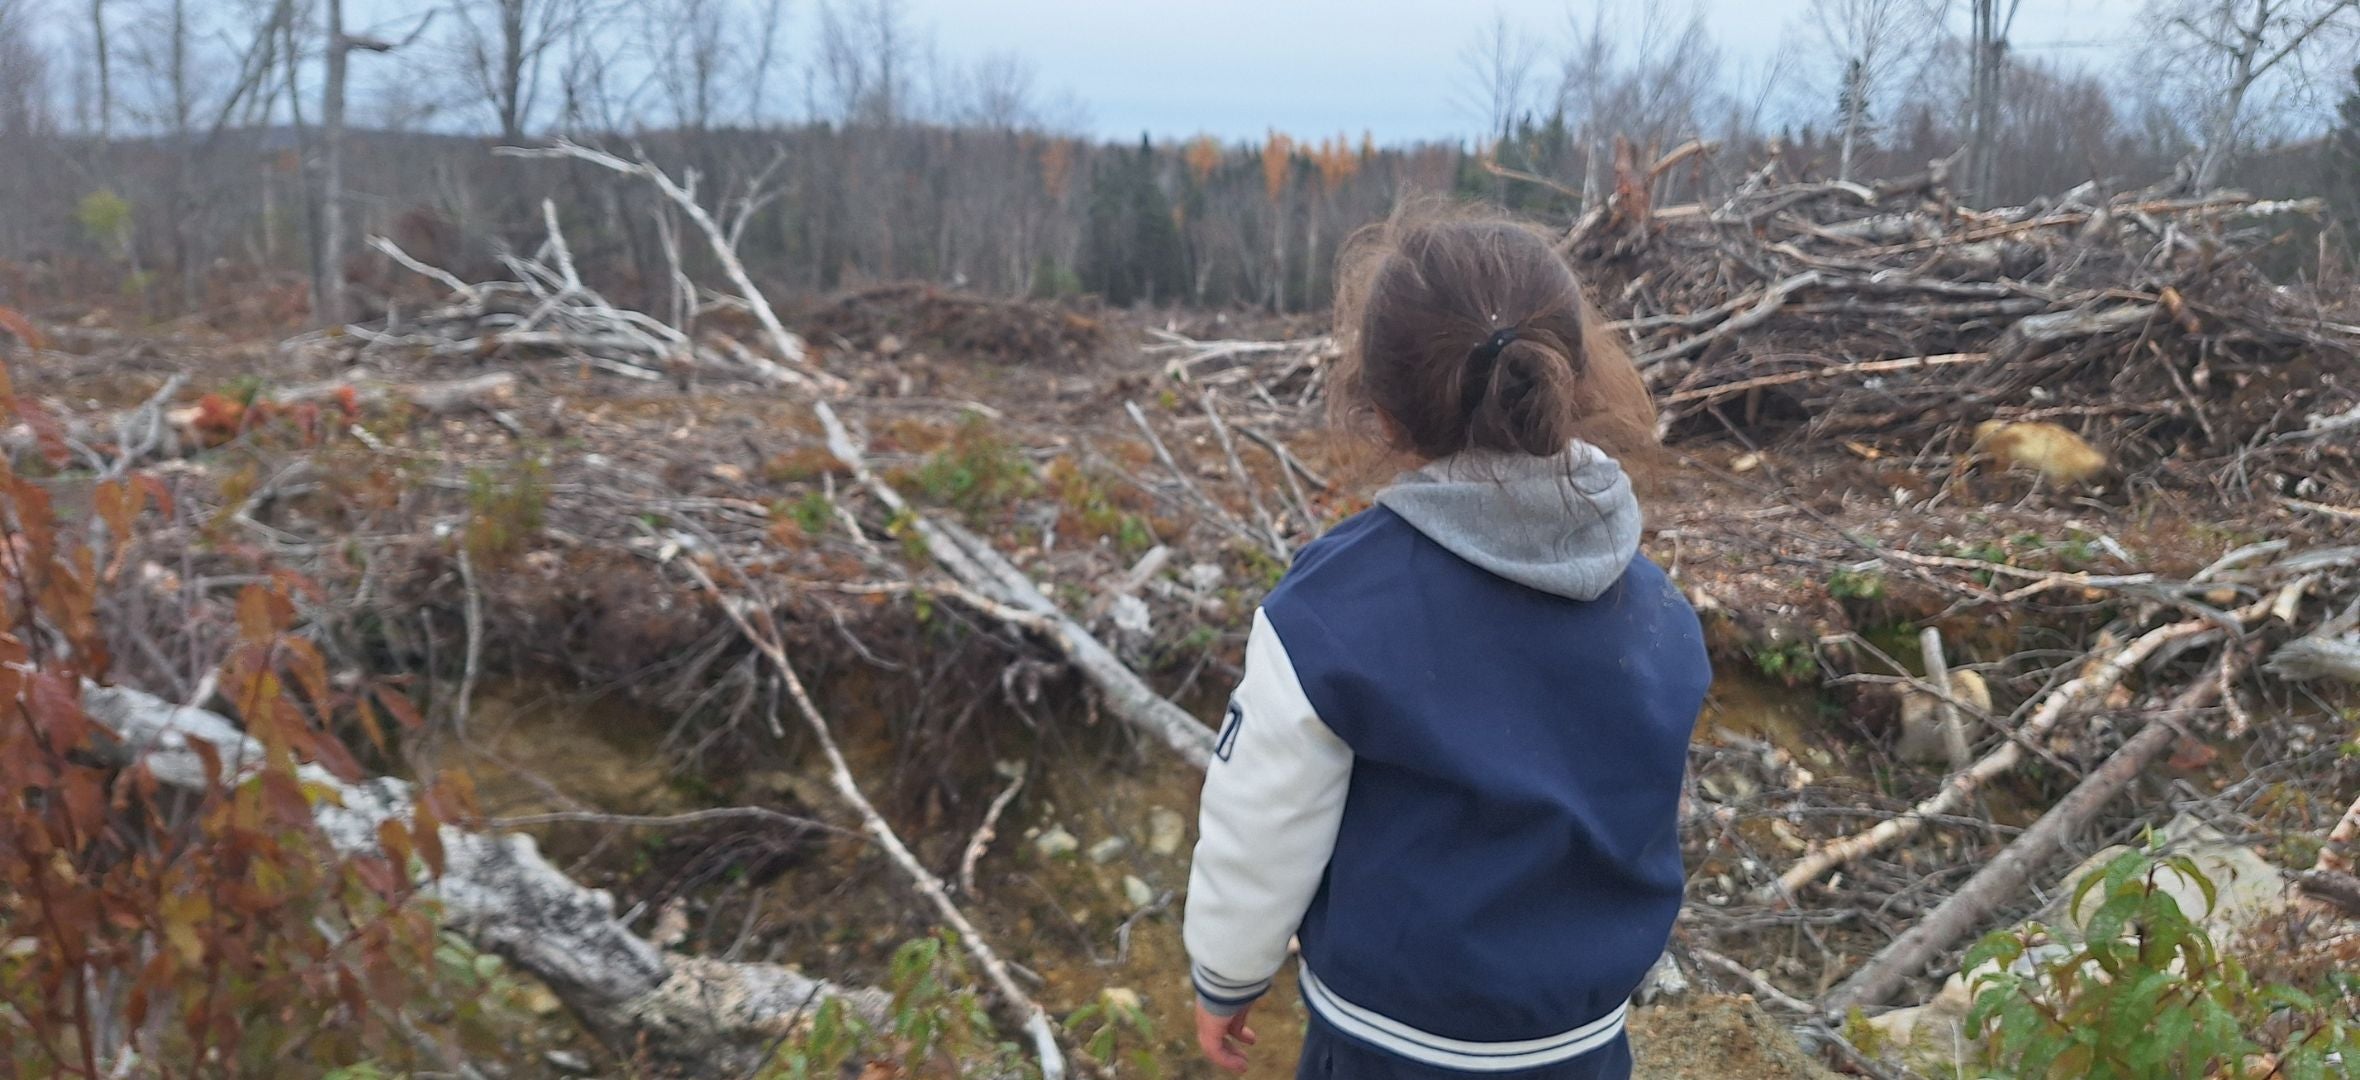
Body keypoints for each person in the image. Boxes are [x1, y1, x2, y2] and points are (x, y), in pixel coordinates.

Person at [1180, 205, 1712, 1079]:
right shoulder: (1659, 614)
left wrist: (1226, 976)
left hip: (1384, 1049)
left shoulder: (1330, 612)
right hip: (1581, 1046)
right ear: (1572, 381)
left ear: (1384, 415)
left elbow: (1263, 820)